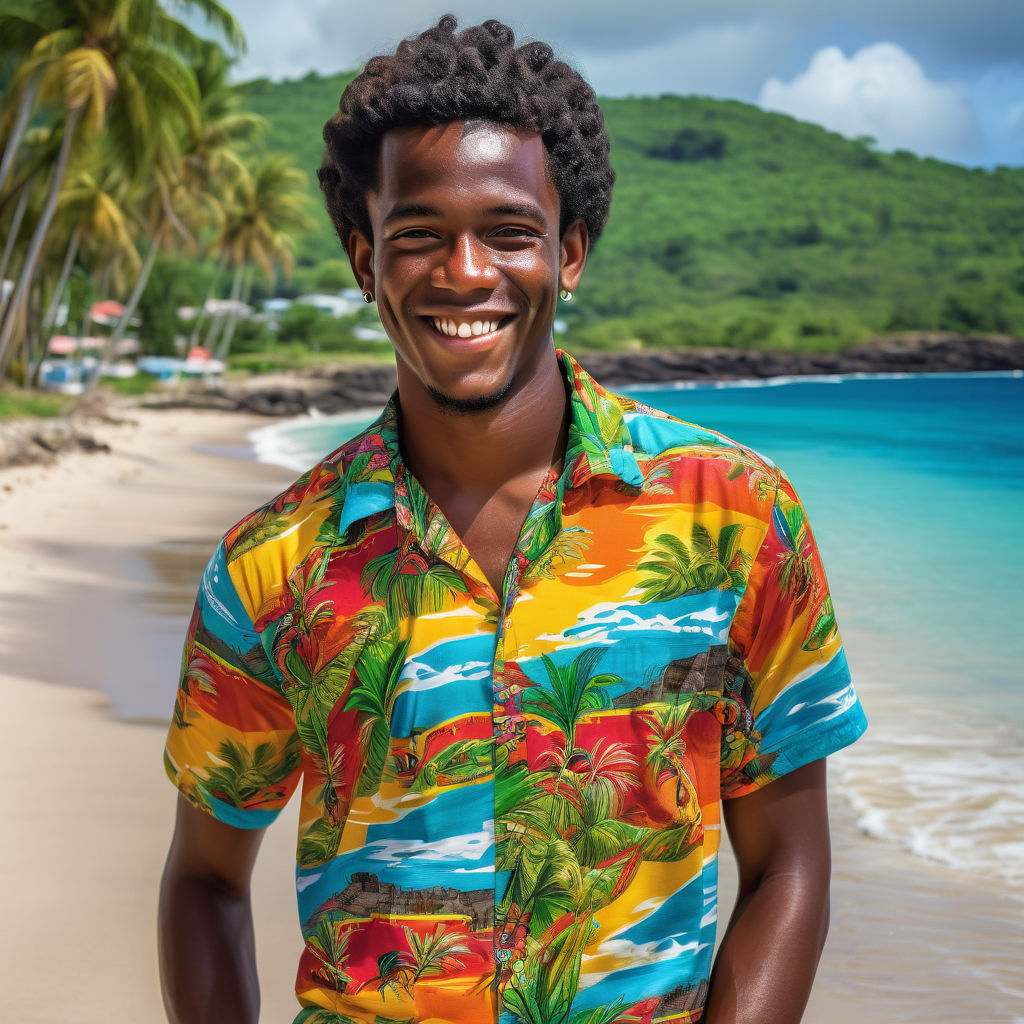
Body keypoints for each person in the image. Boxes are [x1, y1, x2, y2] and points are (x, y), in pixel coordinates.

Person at [158, 16, 867, 1024]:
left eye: (507, 231)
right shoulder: (273, 564)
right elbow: (204, 881)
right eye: (416, 236)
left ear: (567, 251)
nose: (464, 272)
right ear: (365, 262)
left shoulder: (736, 516)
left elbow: (790, 863)